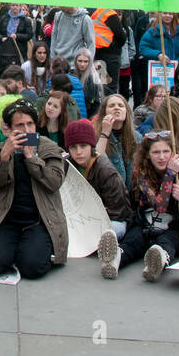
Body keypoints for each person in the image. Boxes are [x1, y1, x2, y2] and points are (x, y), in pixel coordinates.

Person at [0, 101, 67, 279]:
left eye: (30, 124)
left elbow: (54, 181)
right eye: (20, 125)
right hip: (7, 219)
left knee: (32, 268)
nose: (26, 129)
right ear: (10, 129)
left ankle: (30, 249)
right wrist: (4, 157)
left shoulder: (48, 147)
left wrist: (31, 158)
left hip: (39, 220)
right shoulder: (2, 148)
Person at [66, 119, 134, 279]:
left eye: (83, 146)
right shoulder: (67, 164)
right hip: (84, 218)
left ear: (91, 146)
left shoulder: (105, 170)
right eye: (73, 147)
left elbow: (120, 208)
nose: (78, 152)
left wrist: (98, 211)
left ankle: (106, 245)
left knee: (111, 230)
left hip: (114, 218)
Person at [134, 129, 179, 282]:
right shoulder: (142, 173)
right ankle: (117, 258)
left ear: (174, 153)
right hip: (147, 224)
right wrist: (170, 174)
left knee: (167, 243)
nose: (162, 156)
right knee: (133, 240)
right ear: (148, 154)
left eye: (166, 151)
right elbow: (160, 206)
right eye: (156, 152)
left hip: (174, 228)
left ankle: (157, 264)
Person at [91, 93, 134, 184]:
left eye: (121, 105)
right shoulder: (95, 135)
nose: (116, 108)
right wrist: (105, 133)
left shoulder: (136, 137)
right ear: (104, 112)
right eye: (111, 106)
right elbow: (95, 160)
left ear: (126, 111)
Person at [0, 3, 34, 71]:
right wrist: (2, 38)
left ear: (20, 7)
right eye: (13, 5)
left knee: (18, 71)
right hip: (5, 50)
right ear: (10, 6)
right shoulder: (4, 18)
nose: (15, 7)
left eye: (17, 5)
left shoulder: (25, 20)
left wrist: (17, 36)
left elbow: (29, 35)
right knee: (5, 70)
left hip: (20, 50)